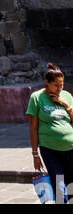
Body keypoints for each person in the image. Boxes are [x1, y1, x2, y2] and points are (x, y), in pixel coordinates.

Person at [27, 62, 73, 204]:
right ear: (47, 83)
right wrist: (35, 154)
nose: (60, 88)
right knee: (59, 187)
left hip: (71, 148)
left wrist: (64, 103)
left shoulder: (67, 96)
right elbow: (33, 128)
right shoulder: (37, 97)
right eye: (56, 85)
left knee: (72, 185)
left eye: (62, 85)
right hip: (50, 149)